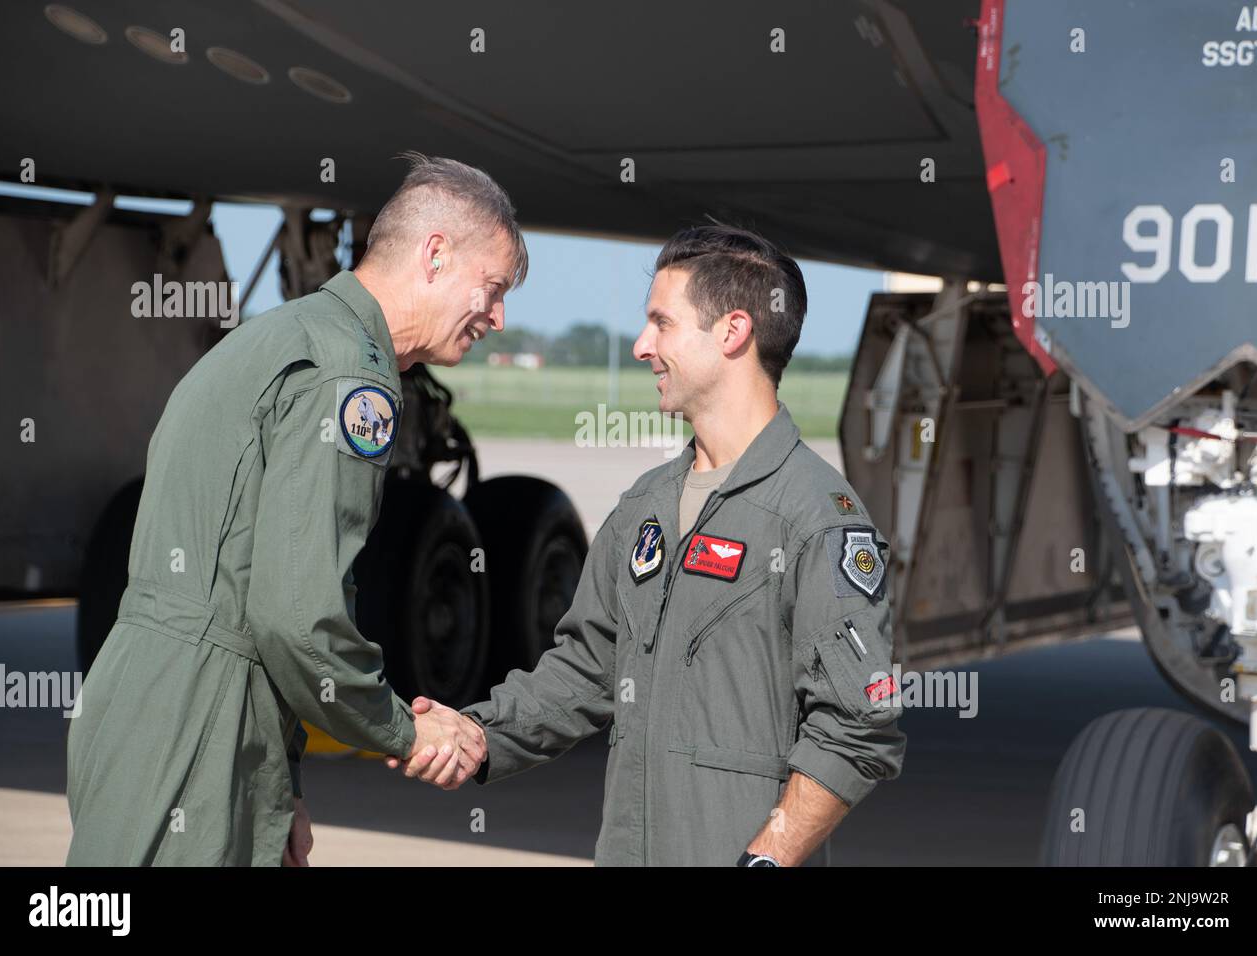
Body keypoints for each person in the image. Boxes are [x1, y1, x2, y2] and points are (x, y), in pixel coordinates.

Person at [397, 223, 907, 866]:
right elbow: (584, 670)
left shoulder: (818, 520)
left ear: (733, 331)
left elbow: (859, 727)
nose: (642, 346)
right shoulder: (646, 506)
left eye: (662, 323)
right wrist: (477, 731)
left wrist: (766, 859)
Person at [65, 153, 516, 865]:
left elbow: (249, 587)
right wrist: (405, 731)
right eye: (492, 289)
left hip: (149, 707)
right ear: (435, 254)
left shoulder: (279, 336)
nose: (496, 316)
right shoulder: (349, 376)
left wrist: (283, 782)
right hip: (201, 732)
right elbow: (297, 615)